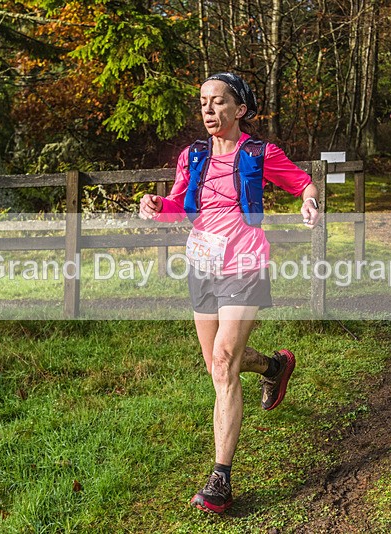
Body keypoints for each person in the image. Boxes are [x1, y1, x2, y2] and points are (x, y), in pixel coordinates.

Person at [138, 72, 319, 514]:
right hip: (202, 264)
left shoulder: (260, 153)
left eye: (218, 102)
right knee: (220, 367)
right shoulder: (192, 156)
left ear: (240, 110)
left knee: (223, 363)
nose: (208, 109)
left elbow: (303, 183)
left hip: (245, 263)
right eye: (203, 102)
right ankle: (274, 366)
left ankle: (220, 478)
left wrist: (309, 201)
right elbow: (180, 207)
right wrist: (156, 206)